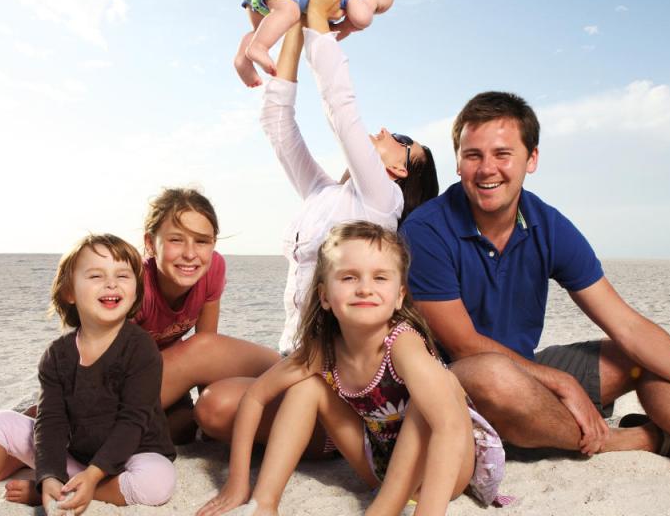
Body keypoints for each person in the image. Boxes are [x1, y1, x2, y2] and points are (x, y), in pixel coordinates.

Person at [399, 91, 670, 512]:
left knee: (637, 357)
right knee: (494, 376)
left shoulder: (547, 224)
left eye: (502, 154)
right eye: (473, 155)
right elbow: (465, 345)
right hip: (454, 389)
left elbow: (627, 326)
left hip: (526, 372)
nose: (486, 169)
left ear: (531, 159)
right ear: (457, 161)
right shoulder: (426, 230)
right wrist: (563, 384)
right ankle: (630, 439)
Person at [195, 0, 438, 449]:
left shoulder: (382, 202)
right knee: (200, 351)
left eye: (401, 141)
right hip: (294, 353)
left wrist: (320, 25)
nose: (385, 132)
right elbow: (278, 125)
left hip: (332, 376)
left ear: (399, 172)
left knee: (216, 406)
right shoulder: (325, 195)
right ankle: (93, 419)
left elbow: (342, 114)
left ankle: (331, 436)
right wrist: (296, 26)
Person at [197, 221, 510, 516]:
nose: (364, 289)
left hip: (446, 471)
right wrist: (237, 481)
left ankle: (383, 510)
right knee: (307, 385)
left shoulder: (403, 344)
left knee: (438, 388)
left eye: (380, 278)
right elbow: (255, 396)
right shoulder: (323, 350)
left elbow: (449, 428)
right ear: (324, 296)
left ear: (399, 296)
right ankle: (264, 502)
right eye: (349, 278)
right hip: (380, 469)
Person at [0, 234, 176, 516]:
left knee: (158, 481)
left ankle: (63, 493)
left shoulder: (141, 348)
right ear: (69, 292)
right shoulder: (57, 355)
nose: (111, 283)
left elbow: (132, 421)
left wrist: (92, 476)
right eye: (96, 275)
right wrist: (48, 476)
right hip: (78, 459)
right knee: (0, 422)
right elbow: (51, 422)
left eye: (123, 275)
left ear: (136, 290)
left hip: (135, 455)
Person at [136, 188, 280, 444]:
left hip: (169, 369)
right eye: (176, 240)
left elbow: (209, 344)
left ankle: (306, 381)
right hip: (125, 376)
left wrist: (211, 416)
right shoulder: (135, 284)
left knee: (184, 428)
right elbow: (106, 358)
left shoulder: (213, 268)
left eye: (202, 241)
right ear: (150, 244)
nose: (190, 254)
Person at [236, 0, 395, 87]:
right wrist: (352, 24)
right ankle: (259, 47)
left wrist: (342, 28)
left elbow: (321, 36)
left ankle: (243, 60)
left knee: (261, 29)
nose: (371, 12)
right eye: (376, 7)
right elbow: (362, 18)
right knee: (290, 12)